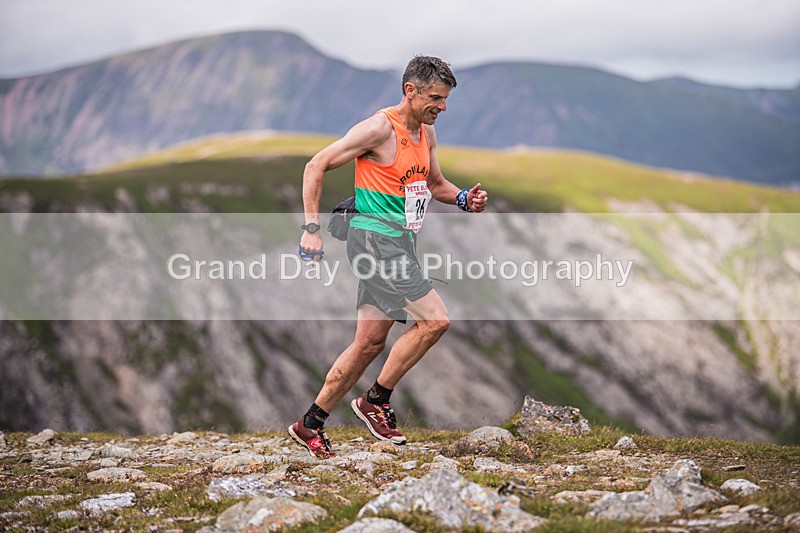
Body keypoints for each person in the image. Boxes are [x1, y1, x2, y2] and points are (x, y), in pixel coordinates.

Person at [288, 55, 488, 458]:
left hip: (399, 242)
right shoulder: (379, 128)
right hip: (375, 241)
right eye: (435, 97)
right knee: (435, 321)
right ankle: (375, 400)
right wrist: (311, 229)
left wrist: (465, 199)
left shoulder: (426, 133)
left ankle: (309, 425)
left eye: (446, 99)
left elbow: (434, 184)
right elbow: (316, 165)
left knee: (368, 344)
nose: (442, 107)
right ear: (409, 90)